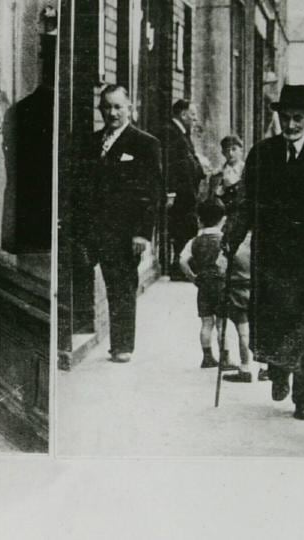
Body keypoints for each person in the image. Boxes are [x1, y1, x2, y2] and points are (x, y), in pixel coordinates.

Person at [224, 85, 304, 420]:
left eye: (298, 118)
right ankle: (280, 371)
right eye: (286, 118)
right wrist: (233, 235)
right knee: (277, 319)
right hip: (273, 254)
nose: (291, 124)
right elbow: (246, 201)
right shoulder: (262, 153)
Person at [73, 85, 162, 363]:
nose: (112, 113)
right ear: (100, 109)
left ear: (129, 108)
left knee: (122, 285)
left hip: (124, 231)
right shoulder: (91, 142)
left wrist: (142, 233)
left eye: (117, 107)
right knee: (81, 276)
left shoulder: (145, 143)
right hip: (91, 228)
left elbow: (152, 192)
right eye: (107, 107)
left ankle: (122, 346)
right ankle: (80, 325)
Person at [179, 199, 253, 380]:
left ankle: (207, 356)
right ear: (223, 219)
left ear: (199, 220)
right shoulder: (224, 241)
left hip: (203, 286)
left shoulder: (194, 241)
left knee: (206, 323)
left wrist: (192, 277)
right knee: (221, 323)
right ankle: (225, 358)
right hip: (222, 286)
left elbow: (182, 260)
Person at [161, 99, 205, 280]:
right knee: (182, 230)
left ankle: (181, 267)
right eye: (192, 115)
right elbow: (169, 164)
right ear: (183, 114)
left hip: (186, 193)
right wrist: (170, 191)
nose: (195, 119)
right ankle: (178, 269)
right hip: (180, 194)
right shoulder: (170, 133)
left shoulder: (181, 133)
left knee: (186, 229)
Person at [204, 135, 245, 211]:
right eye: (227, 150)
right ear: (223, 152)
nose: (230, 153)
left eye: (234, 149)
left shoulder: (246, 171)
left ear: (241, 151)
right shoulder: (218, 173)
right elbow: (211, 197)